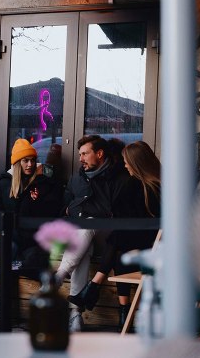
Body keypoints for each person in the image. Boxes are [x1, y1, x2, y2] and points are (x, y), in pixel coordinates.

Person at [68, 141, 161, 329]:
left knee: (118, 240)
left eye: (127, 161)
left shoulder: (143, 186)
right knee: (120, 251)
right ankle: (121, 310)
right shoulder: (148, 184)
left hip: (154, 243)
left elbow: (144, 221)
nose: (124, 165)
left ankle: (96, 289)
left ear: (136, 162)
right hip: (144, 239)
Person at [55, 135, 136, 332]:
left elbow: (108, 210)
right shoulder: (78, 178)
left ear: (99, 154)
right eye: (79, 154)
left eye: (85, 154)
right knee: (84, 248)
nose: (80, 159)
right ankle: (75, 314)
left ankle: (57, 278)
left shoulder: (118, 177)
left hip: (112, 239)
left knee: (88, 223)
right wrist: (80, 209)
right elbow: (64, 208)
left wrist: (80, 209)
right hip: (83, 237)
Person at [0, 139, 63, 295]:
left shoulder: (42, 183)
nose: (30, 164)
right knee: (7, 247)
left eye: (32, 160)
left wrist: (36, 199)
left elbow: (51, 212)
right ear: (17, 163)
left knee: (7, 248)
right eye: (25, 161)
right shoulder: (4, 183)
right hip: (10, 235)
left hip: (32, 237)